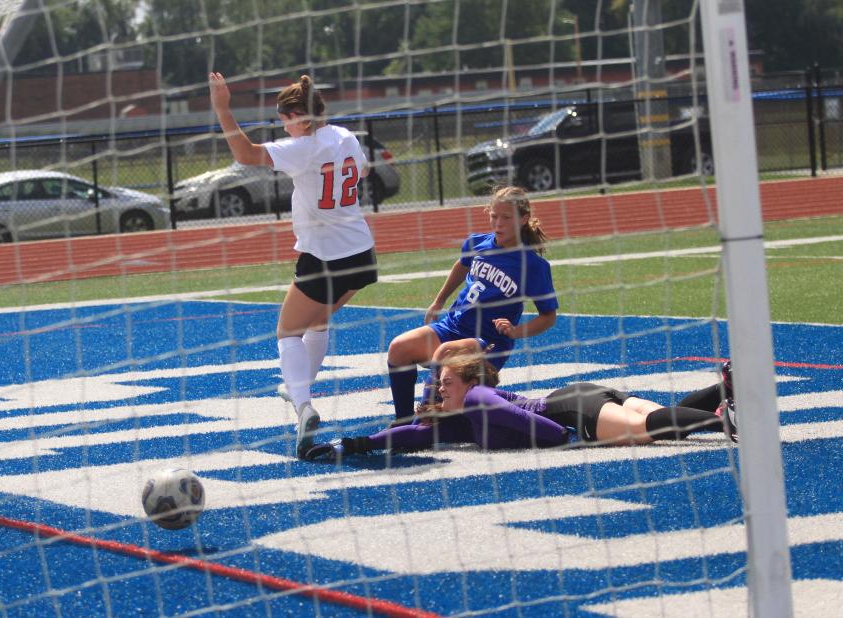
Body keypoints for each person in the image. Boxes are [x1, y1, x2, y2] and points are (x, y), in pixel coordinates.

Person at [209, 72, 378, 458]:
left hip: (324, 256)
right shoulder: (345, 136)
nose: (283, 125)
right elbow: (362, 171)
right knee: (317, 322)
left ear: (300, 115)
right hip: (362, 253)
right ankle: (300, 385)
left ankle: (303, 407)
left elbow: (245, 154)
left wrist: (222, 108)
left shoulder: (303, 147)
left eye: (286, 118)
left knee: (287, 332)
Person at [304, 355, 736, 460]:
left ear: (470, 381)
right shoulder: (462, 417)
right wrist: (353, 445)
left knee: (645, 430)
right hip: (577, 397)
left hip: (568, 412)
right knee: (653, 418)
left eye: (446, 383)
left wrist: (556, 437)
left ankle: (723, 424)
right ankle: (724, 388)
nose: (440, 390)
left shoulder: (475, 397)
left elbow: (517, 418)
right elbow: (413, 435)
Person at [385, 185, 557, 424]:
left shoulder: (533, 266)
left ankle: (422, 425)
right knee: (398, 348)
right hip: (453, 327)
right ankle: (402, 421)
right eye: (494, 216)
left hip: (488, 343)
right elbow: (461, 265)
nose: (498, 223)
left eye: (506, 218)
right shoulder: (477, 243)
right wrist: (440, 299)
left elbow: (548, 316)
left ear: (523, 219)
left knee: (444, 360)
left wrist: (517, 332)